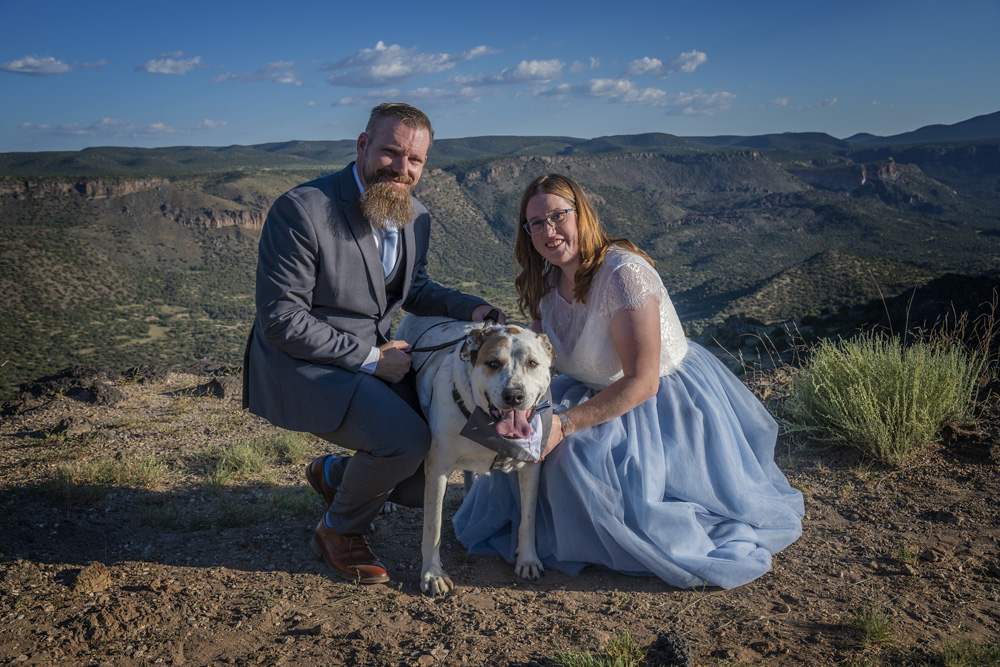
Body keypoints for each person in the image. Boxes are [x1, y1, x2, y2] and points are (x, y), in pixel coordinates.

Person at [452, 174, 803, 590]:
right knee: (526, 442)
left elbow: (643, 381)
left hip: (660, 404)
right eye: (535, 223)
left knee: (571, 457)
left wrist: (562, 426)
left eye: (557, 216)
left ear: (581, 215)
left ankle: (607, 538)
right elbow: (538, 365)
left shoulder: (623, 274)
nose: (548, 231)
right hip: (588, 389)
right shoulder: (545, 284)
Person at [243, 103, 504, 585]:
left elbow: (414, 288)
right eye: (390, 152)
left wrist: (474, 310)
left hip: (373, 361)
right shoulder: (302, 209)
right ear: (363, 146)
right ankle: (338, 530)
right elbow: (281, 319)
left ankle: (339, 478)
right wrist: (368, 359)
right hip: (302, 363)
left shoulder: (415, 217)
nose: (401, 169)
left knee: (431, 458)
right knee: (404, 441)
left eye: (415, 161)